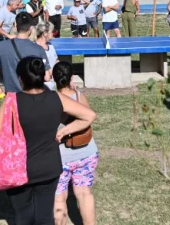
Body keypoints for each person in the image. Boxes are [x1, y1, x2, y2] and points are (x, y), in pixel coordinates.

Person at [0, 57, 96, 225]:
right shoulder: (56, 98)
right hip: (48, 168)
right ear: (42, 76)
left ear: (20, 78)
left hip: (18, 168)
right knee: (45, 217)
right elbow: (89, 115)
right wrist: (64, 131)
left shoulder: (11, 101)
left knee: (23, 217)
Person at [52, 62, 99, 225]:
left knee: (59, 198)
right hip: (87, 152)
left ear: (53, 78)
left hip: (60, 157)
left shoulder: (52, 100)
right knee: (85, 193)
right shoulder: (80, 96)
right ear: (71, 77)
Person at [0, 12, 47, 95]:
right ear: (31, 28)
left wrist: (0, 92)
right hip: (31, 97)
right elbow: (46, 77)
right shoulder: (38, 49)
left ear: (15, 25)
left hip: (11, 95)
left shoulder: (2, 46)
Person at [35, 20, 60, 90]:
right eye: (52, 31)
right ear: (45, 33)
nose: (53, 33)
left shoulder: (50, 46)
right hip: (42, 85)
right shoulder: (35, 48)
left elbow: (56, 60)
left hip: (53, 82)